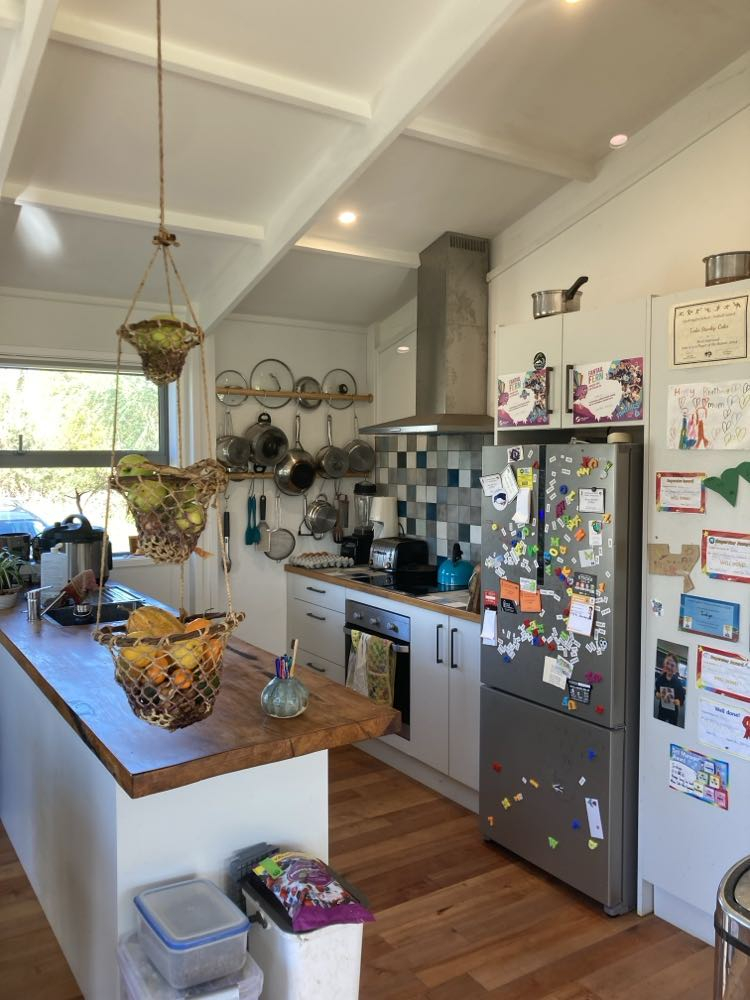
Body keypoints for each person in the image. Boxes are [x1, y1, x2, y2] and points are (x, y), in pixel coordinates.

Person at [655, 652, 685, 725]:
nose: (669, 667)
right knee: (660, 725)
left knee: (672, 727)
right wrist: (657, 694)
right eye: (667, 663)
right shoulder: (660, 679)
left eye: (672, 665)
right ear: (664, 664)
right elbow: (656, 690)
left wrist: (678, 702)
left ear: (675, 669)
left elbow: (682, 699)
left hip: (673, 712)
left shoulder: (678, 683)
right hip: (662, 709)